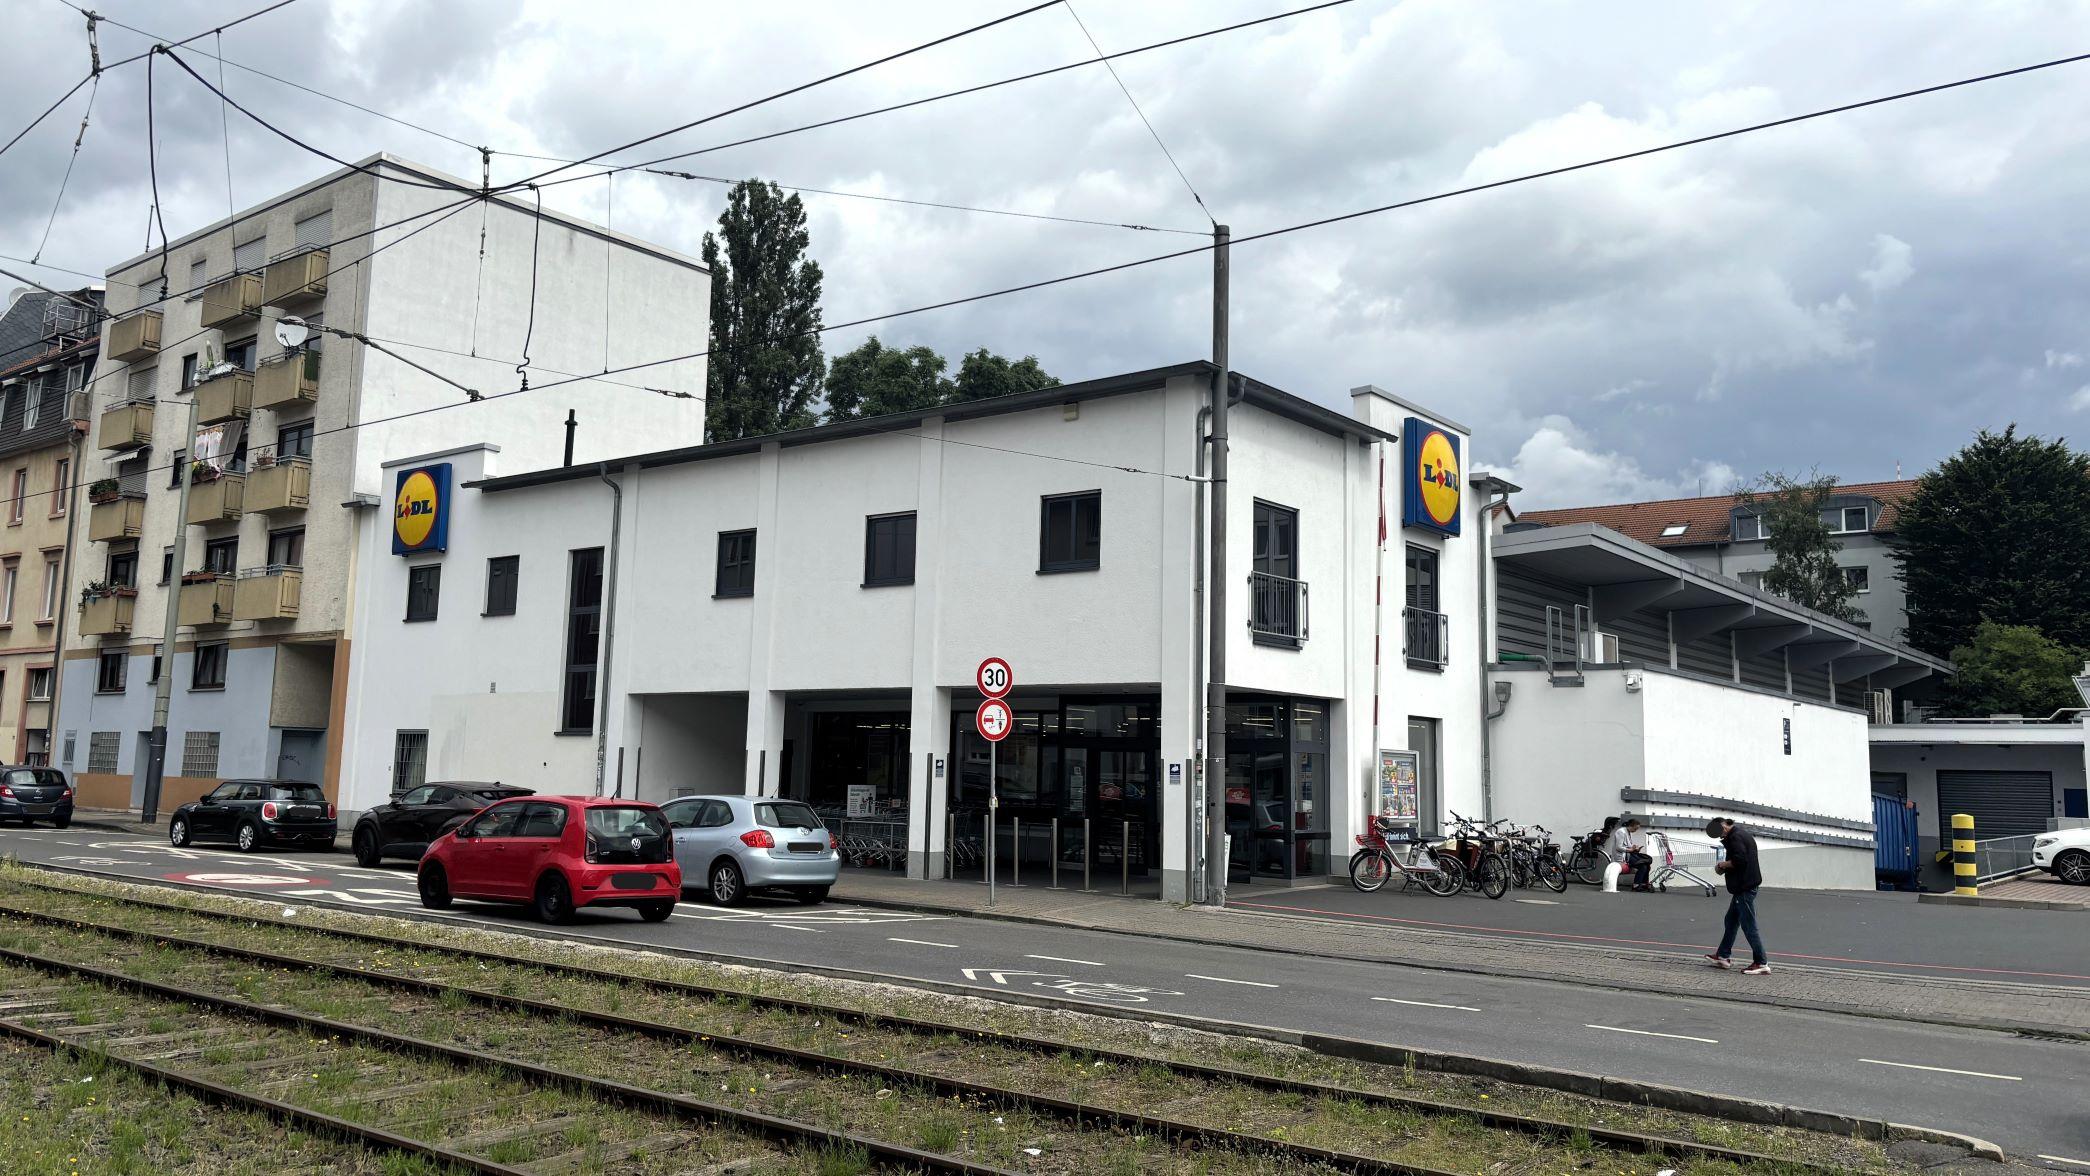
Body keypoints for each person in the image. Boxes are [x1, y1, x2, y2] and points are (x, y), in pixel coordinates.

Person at [1703, 817, 1769, 975]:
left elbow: (1740, 860)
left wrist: (1722, 865)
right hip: (1745, 886)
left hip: (1744, 887)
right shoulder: (1740, 834)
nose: (1721, 836)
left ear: (1723, 826)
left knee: (1748, 925)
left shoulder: (1735, 837)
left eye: (1720, 833)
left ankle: (1761, 962)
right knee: (1731, 921)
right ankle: (1723, 956)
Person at [1608, 818, 1654, 890]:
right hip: (1623, 857)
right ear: (1631, 826)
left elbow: (1629, 846)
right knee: (1643, 865)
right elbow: (1618, 847)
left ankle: (1643, 884)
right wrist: (1631, 849)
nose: (1635, 831)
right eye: (1635, 829)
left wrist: (1635, 848)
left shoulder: (1628, 832)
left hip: (1629, 855)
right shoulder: (1621, 832)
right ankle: (1636, 885)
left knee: (1646, 864)